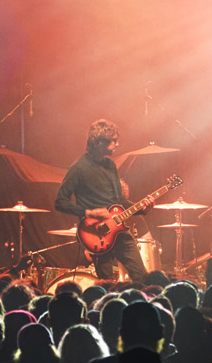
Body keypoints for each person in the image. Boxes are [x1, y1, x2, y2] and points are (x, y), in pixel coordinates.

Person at [55, 119, 154, 282]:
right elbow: (60, 201)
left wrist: (142, 209)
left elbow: (120, 200)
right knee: (106, 284)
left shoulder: (111, 166)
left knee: (142, 277)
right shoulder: (78, 168)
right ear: (100, 142)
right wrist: (88, 212)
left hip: (119, 231)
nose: (117, 144)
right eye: (114, 140)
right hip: (96, 234)